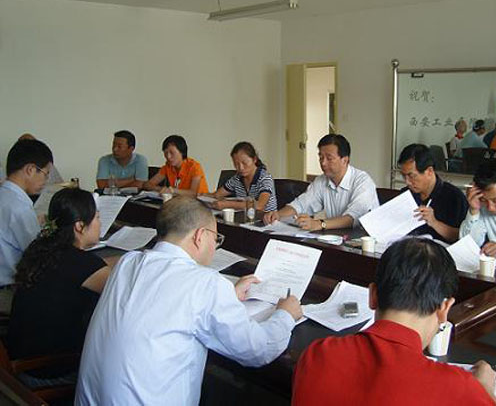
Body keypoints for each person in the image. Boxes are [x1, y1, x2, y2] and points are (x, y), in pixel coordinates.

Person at [76, 197, 302, 405]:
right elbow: (258, 349)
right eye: (216, 238)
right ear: (200, 235)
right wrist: (286, 315)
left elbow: (161, 302)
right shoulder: (205, 284)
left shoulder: (128, 262)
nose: (214, 246)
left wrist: (228, 296)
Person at [292, 237, 496, 406]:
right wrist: (485, 391)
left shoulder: (317, 354)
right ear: (444, 309)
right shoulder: (458, 389)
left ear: (372, 296)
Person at [7, 188, 111, 384]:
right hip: (48, 370)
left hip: (18, 359)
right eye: (97, 218)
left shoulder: (40, 249)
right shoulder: (85, 265)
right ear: (80, 226)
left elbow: (82, 269)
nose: (100, 223)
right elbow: (123, 289)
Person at [263, 134, 378, 230]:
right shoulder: (321, 180)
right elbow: (301, 204)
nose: (323, 163)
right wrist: (278, 215)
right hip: (335, 237)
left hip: (363, 242)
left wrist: (319, 224)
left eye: (329, 158)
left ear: (345, 160)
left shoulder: (363, 182)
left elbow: (352, 218)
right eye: (321, 157)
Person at [0, 139, 53, 312]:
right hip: (8, 292)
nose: (45, 181)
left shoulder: (5, 195)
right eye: (45, 174)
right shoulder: (19, 206)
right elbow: (36, 253)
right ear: (30, 169)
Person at [398, 144, 468, 243]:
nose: (407, 182)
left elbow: (462, 237)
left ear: (429, 171)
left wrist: (434, 222)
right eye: (403, 176)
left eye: (412, 176)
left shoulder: (454, 197)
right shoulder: (405, 194)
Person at [210, 142, 277, 212]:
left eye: (244, 163)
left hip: (265, 218)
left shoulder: (265, 178)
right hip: (244, 217)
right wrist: (202, 196)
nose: (241, 168)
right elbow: (217, 195)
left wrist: (228, 204)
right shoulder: (237, 178)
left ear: (254, 159)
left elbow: (259, 206)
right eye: (236, 164)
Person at [144, 134, 208, 196]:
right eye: (165, 153)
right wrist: (161, 189)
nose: (168, 157)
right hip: (179, 200)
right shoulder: (168, 166)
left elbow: (193, 193)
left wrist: (172, 190)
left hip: (198, 201)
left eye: (172, 153)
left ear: (182, 152)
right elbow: (147, 184)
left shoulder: (195, 167)